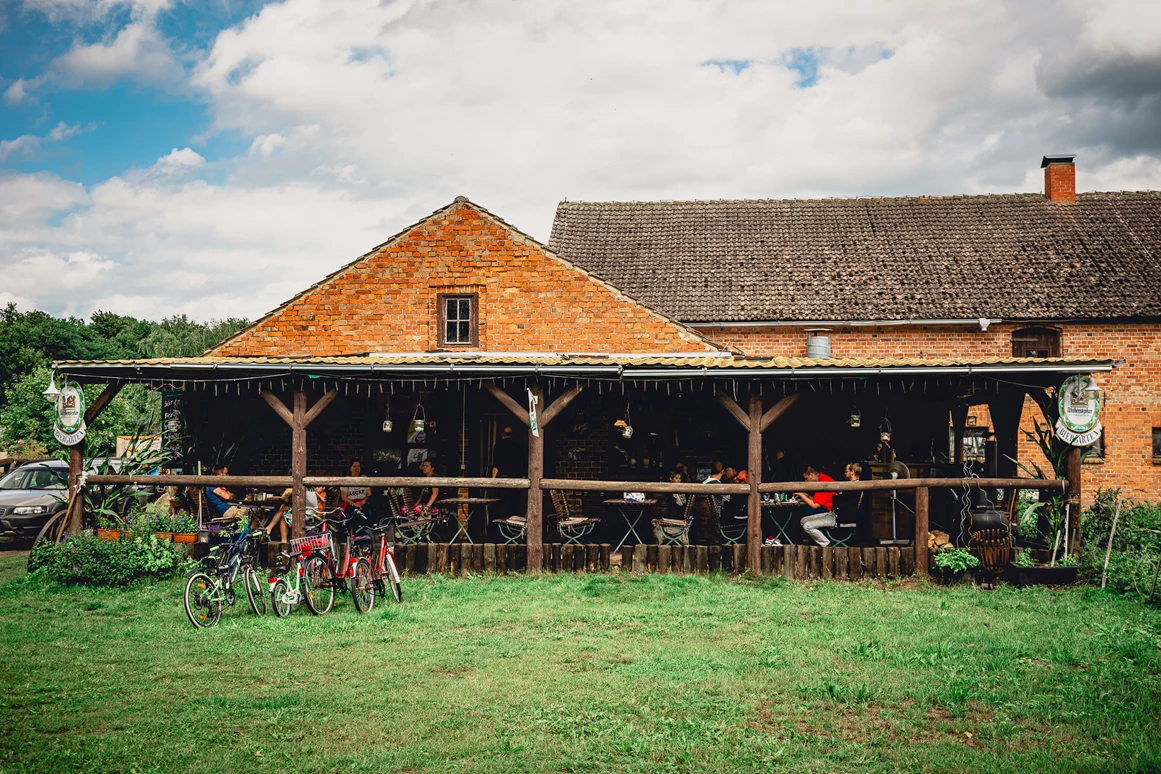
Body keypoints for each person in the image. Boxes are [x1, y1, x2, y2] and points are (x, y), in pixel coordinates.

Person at [202, 465, 260, 529]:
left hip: (232, 508)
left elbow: (232, 497)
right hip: (228, 511)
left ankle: (252, 532)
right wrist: (230, 494)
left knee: (259, 510)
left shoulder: (220, 485)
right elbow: (228, 496)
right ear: (220, 474)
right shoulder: (211, 484)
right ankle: (253, 533)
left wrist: (230, 495)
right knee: (256, 511)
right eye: (226, 474)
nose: (228, 476)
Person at [795, 465, 838, 547]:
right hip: (829, 511)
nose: (806, 482)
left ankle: (828, 546)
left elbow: (815, 505)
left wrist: (801, 495)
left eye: (806, 479)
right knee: (803, 520)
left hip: (831, 513)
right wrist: (807, 496)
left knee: (807, 525)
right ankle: (813, 541)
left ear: (811, 475)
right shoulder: (822, 479)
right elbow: (817, 500)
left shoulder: (823, 482)